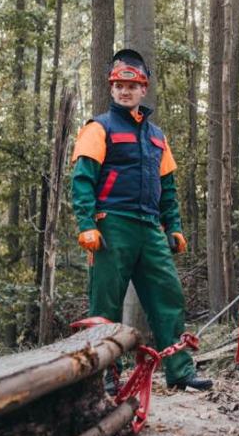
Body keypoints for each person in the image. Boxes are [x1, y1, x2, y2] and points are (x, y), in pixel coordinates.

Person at [70, 48, 212, 392]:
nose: (124, 91)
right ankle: (106, 376)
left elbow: (168, 188)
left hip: (150, 228)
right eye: (119, 86)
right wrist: (86, 224)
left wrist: (173, 226)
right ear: (112, 88)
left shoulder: (157, 136)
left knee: (168, 295)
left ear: (143, 89)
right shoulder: (98, 128)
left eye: (131, 86)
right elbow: (82, 180)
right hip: (111, 224)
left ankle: (180, 371)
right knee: (105, 304)